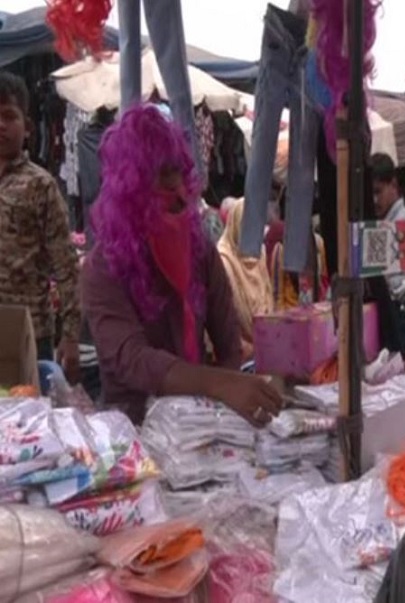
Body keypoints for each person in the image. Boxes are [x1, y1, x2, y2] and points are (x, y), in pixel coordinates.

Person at [81, 105, 282, 426]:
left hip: (201, 425)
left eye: (179, 173)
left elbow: (227, 339)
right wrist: (218, 384)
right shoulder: (103, 269)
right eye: (163, 177)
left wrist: (226, 405)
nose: (178, 192)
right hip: (134, 430)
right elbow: (132, 360)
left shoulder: (199, 249)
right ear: (131, 187)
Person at [0, 71, 81, 383]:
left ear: (28, 128)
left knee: (28, 424)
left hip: (30, 332)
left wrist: (71, 336)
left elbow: (66, 265)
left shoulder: (41, 185)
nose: (1, 125)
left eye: (9, 116)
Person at [217, 198, 274, 360]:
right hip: (239, 356)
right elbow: (224, 322)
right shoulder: (224, 261)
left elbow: (268, 299)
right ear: (237, 225)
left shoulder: (259, 253)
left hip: (266, 349)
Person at [371, 152, 405, 296]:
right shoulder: (383, 222)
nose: (374, 200)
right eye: (371, 194)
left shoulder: (403, 225)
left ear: (393, 185)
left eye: (378, 191)